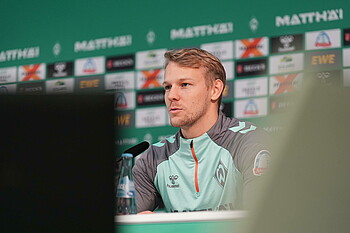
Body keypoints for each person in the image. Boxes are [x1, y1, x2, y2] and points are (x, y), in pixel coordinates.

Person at [132, 48, 271, 213]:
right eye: (168, 87)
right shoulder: (153, 158)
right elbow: (128, 222)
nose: (171, 96)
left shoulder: (248, 142)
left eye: (184, 84)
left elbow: (265, 218)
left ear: (215, 89)